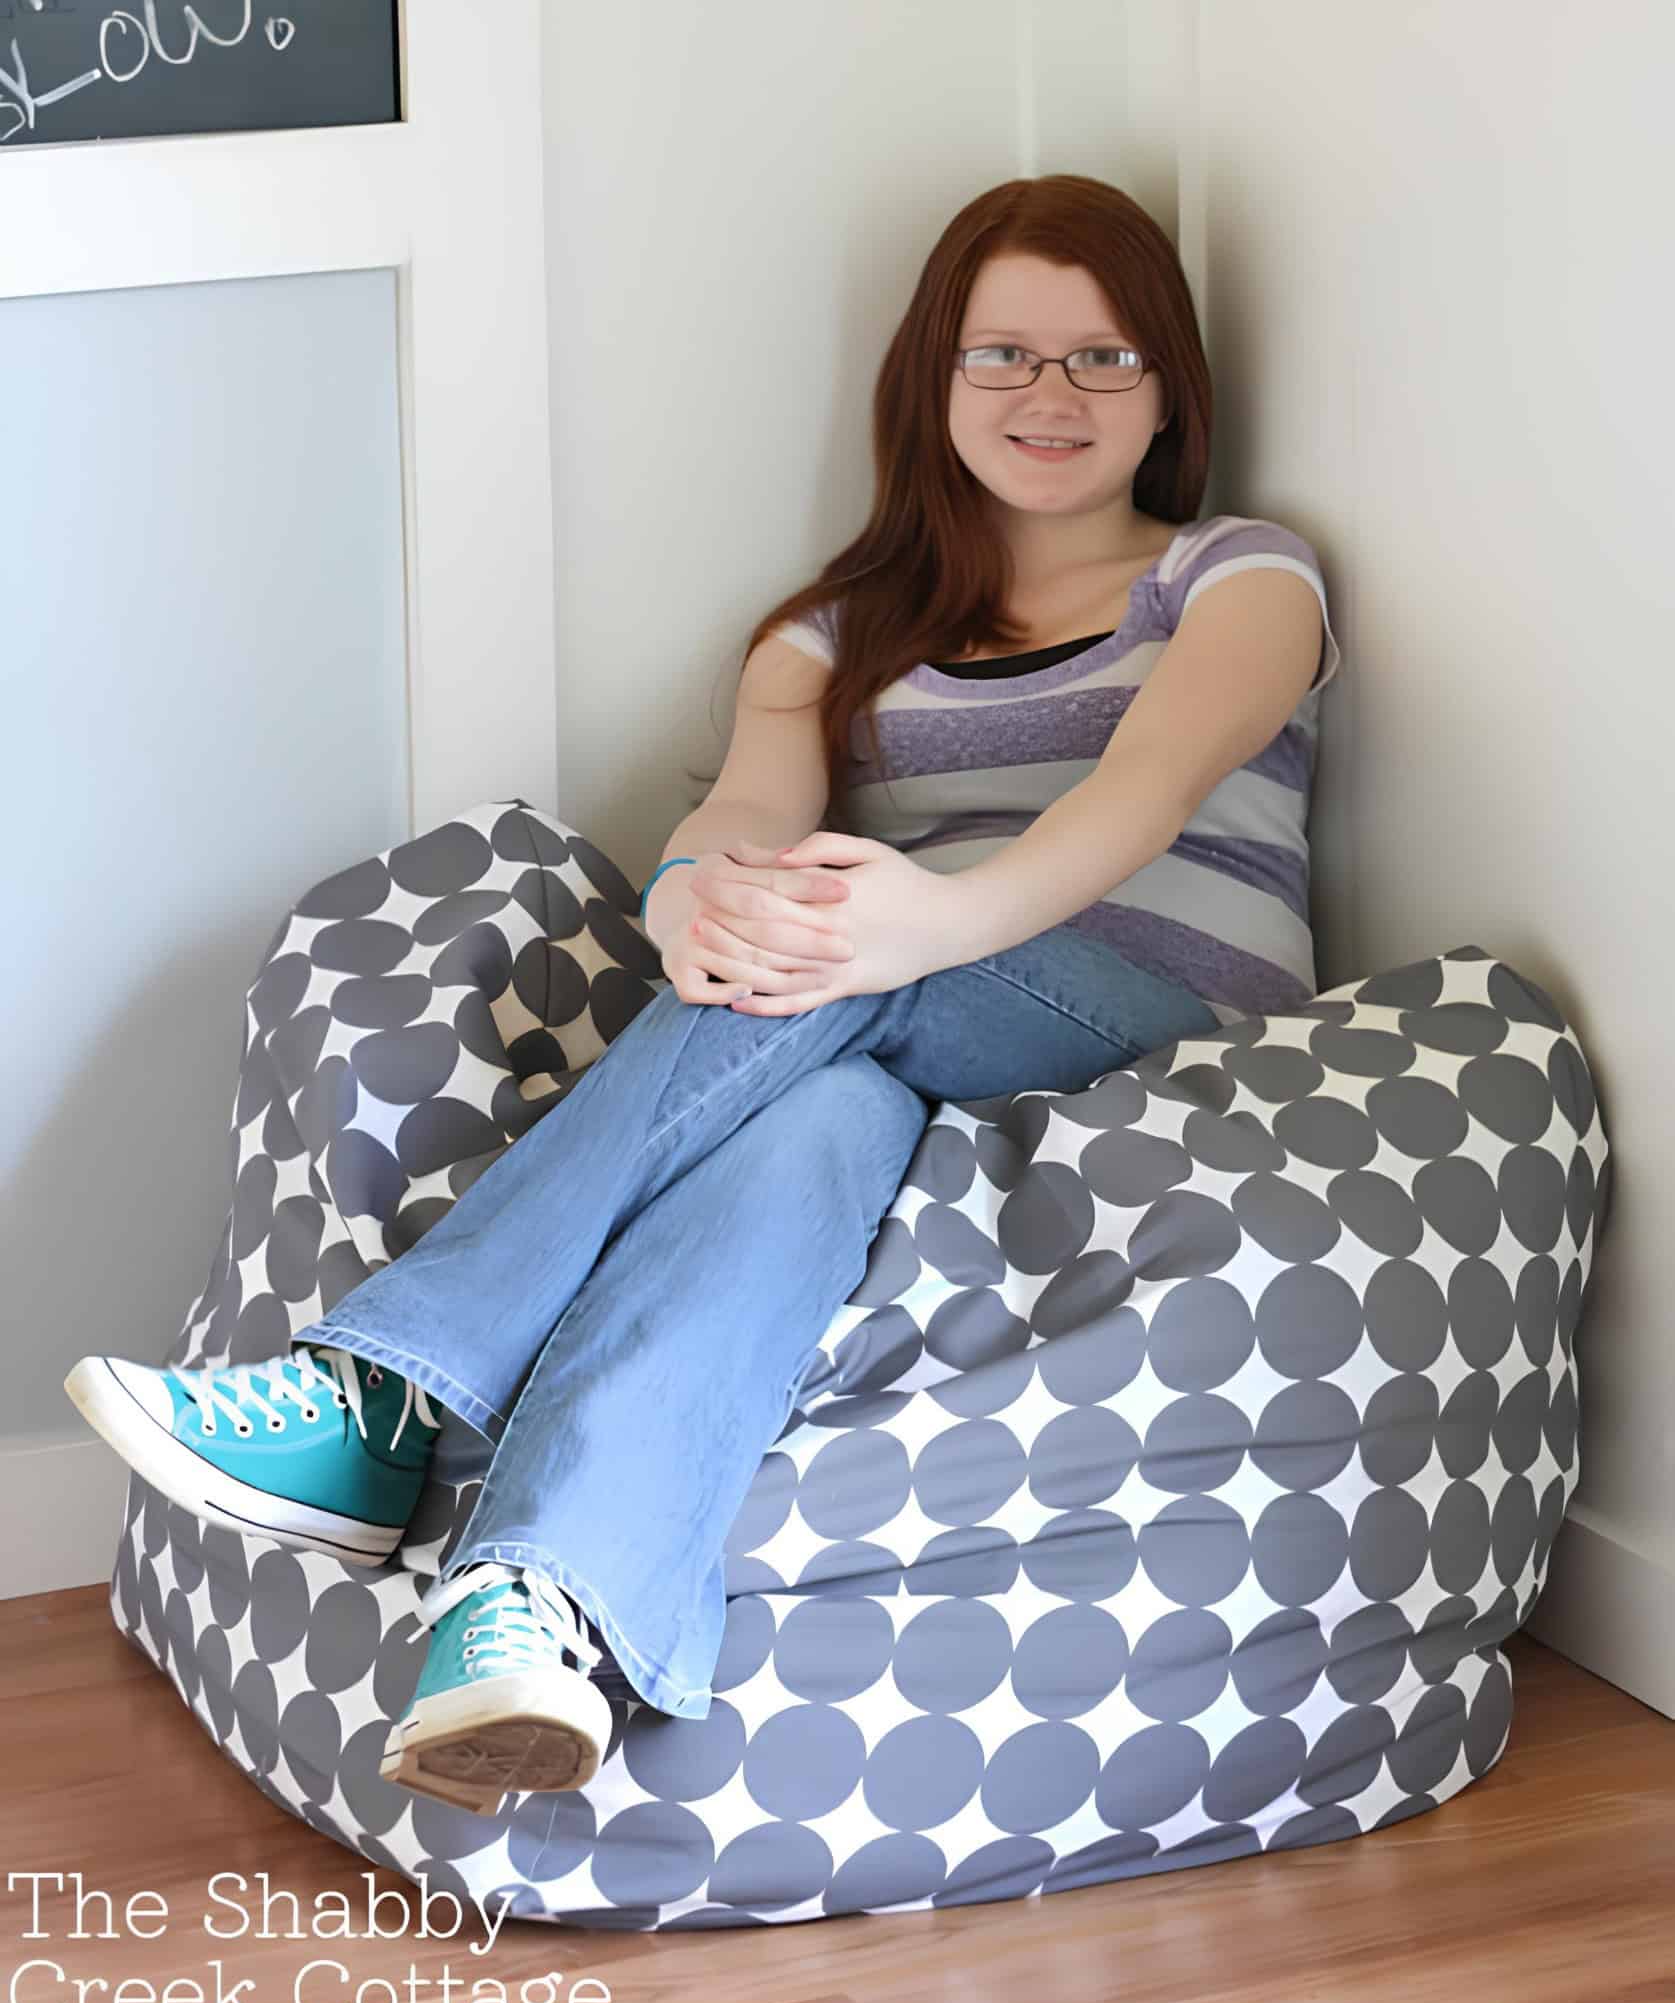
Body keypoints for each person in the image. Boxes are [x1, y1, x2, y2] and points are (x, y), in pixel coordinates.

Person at [64, 174, 1340, 1819]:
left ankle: (378, 1394)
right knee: (809, 1123)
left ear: (1168, 390)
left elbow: (1143, 795)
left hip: (1156, 1017)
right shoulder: (841, 623)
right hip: (898, 1023)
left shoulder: (1239, 577)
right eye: (1003, 355)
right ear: (931, 380)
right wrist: (695, 907)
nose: (1049, 396)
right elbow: (745, 811)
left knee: (822, 952)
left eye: (1102, 360)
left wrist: (919, 925)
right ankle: (532, 1615)